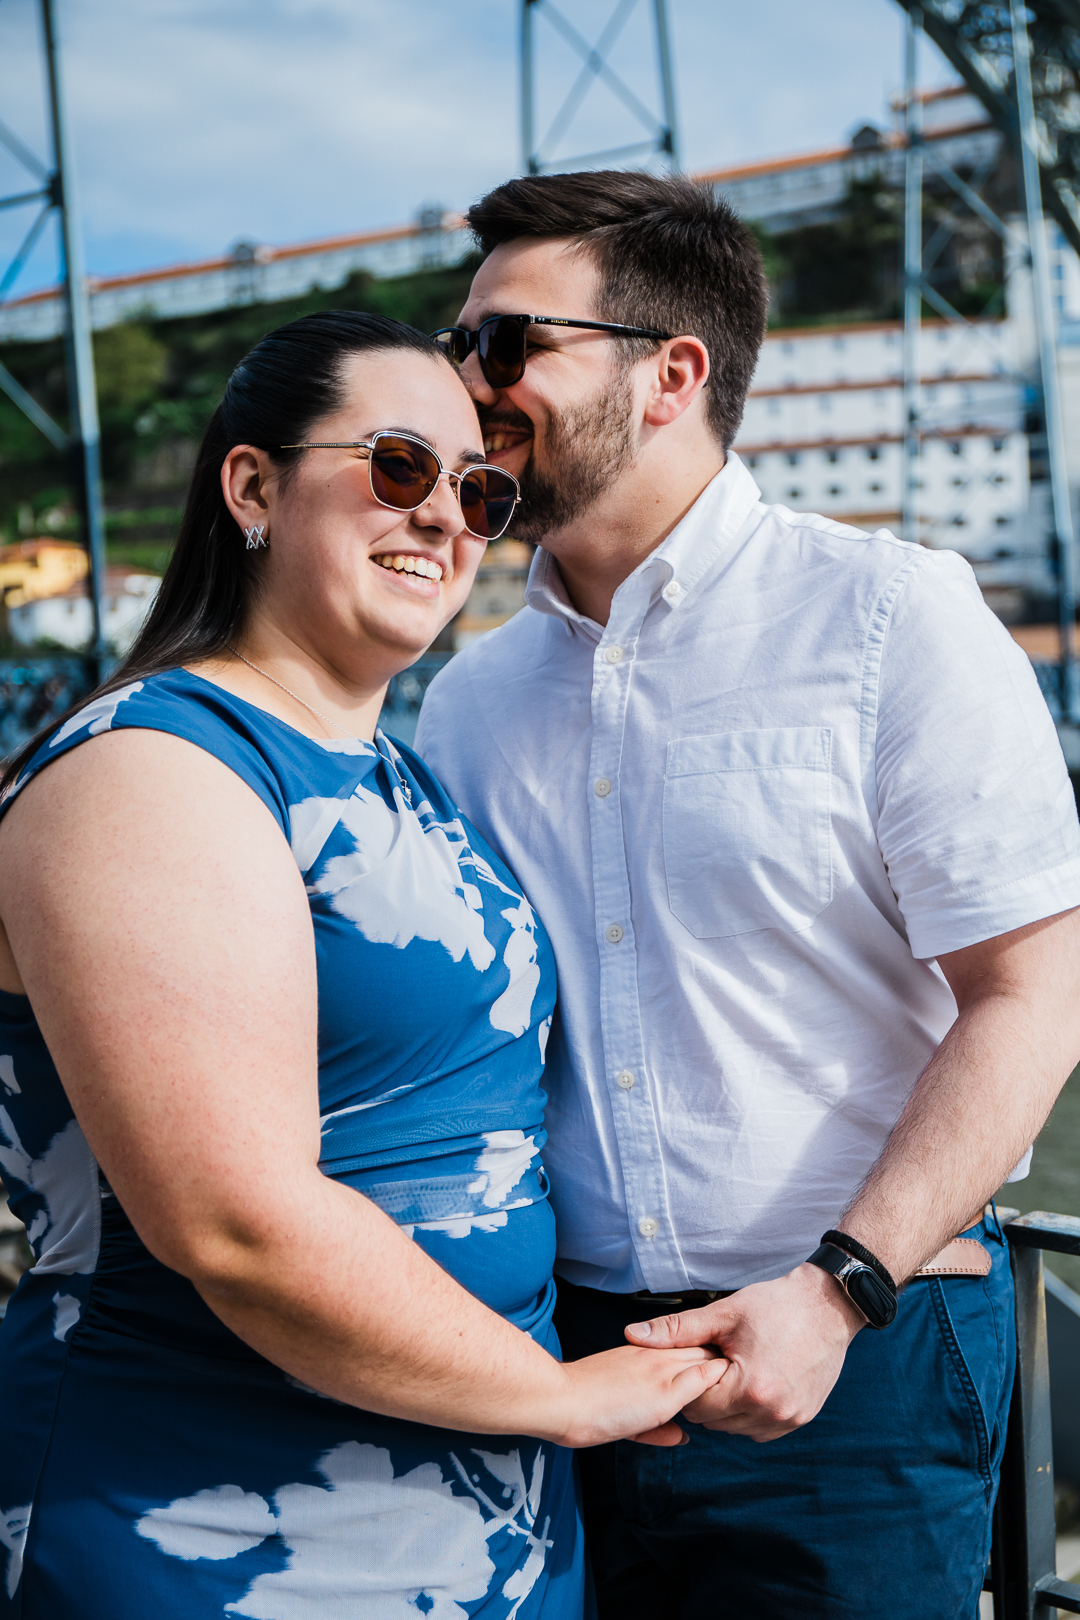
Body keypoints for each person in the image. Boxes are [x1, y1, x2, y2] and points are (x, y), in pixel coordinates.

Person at [415, 172, 1080, 1619]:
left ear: (674, 373)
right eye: (458, 345)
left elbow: (1038, 995)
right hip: (556, 1356)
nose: (468, 383)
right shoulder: (467, 701)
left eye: (508, 342)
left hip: (862, 1347)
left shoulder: (892, 615)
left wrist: (839, 1287)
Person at [0, 310, 726, 1619]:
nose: (448, 516)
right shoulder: (155, 771)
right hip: (211, 1522)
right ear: (252, 486)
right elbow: (235, 1224)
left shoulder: (408, 779)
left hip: (480, 1526)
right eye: (399, 465)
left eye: (481, 488)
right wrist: (562, 1396)